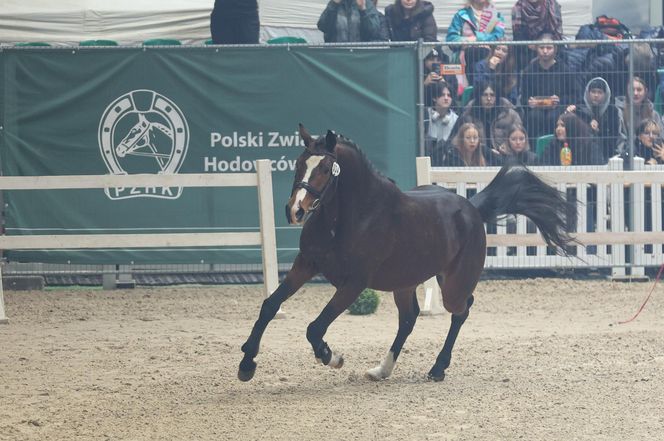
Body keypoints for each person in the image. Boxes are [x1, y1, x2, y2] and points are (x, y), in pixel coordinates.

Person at [519, 33, 579, 140]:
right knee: (534, 117)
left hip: (558, 109)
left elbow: (574, 95)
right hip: (536, 110)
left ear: (555, 49)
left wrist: (560, 100)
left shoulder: (564, 70)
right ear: (536, 49)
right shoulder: (529, 71)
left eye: (549, 48)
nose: (545, 51)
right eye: (542, 47)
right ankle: (533, 150)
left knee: (554, 117)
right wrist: (529, 102)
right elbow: (524, 97)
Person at [566, 77, 626, 162]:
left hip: (609, 154)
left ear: (606, 94)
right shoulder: (579, 109)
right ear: (588, 93)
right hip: (582, 155)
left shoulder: (613, 111)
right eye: (593, 91)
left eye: (600, 92)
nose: (596, 95)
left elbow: (617, 136)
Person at [454, 81, 523, 155]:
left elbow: (520, 137)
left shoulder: (510, 114)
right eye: (485, 95)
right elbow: (457, 141)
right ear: (479, 97)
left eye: (492, 95)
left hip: (504, 156)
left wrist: (507, 146)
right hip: (477, 158)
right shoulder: (468, 114)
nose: (489, 98)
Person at [445, 0, 506, 84]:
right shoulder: (461, 15)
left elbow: (498, 36)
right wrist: (467, 40)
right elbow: (451, 39)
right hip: (465, 58)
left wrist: (477, 38)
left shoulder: (497, 16)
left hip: (488, 57)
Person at [511, 0, 563, 70]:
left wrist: (540, 43)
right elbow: (517, 33)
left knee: (559, 54)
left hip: (548, 42)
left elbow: (555, 31)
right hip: (527, 45)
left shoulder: (552, 4)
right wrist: (531, 45)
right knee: (520, 54)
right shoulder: (518, 6)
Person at [317, 0, 385, 42]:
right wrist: (334, 4)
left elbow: (374, 32)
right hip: (336, 56)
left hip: (360, 56)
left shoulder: (367, 3)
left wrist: (363, 10)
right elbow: (322, 26)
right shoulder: (334, 4)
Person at [424, 82, 459, 165]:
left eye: (449, 95)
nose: (446, 98)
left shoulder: (456, 119)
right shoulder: (425, 114)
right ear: (434, 98)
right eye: (442, 95)